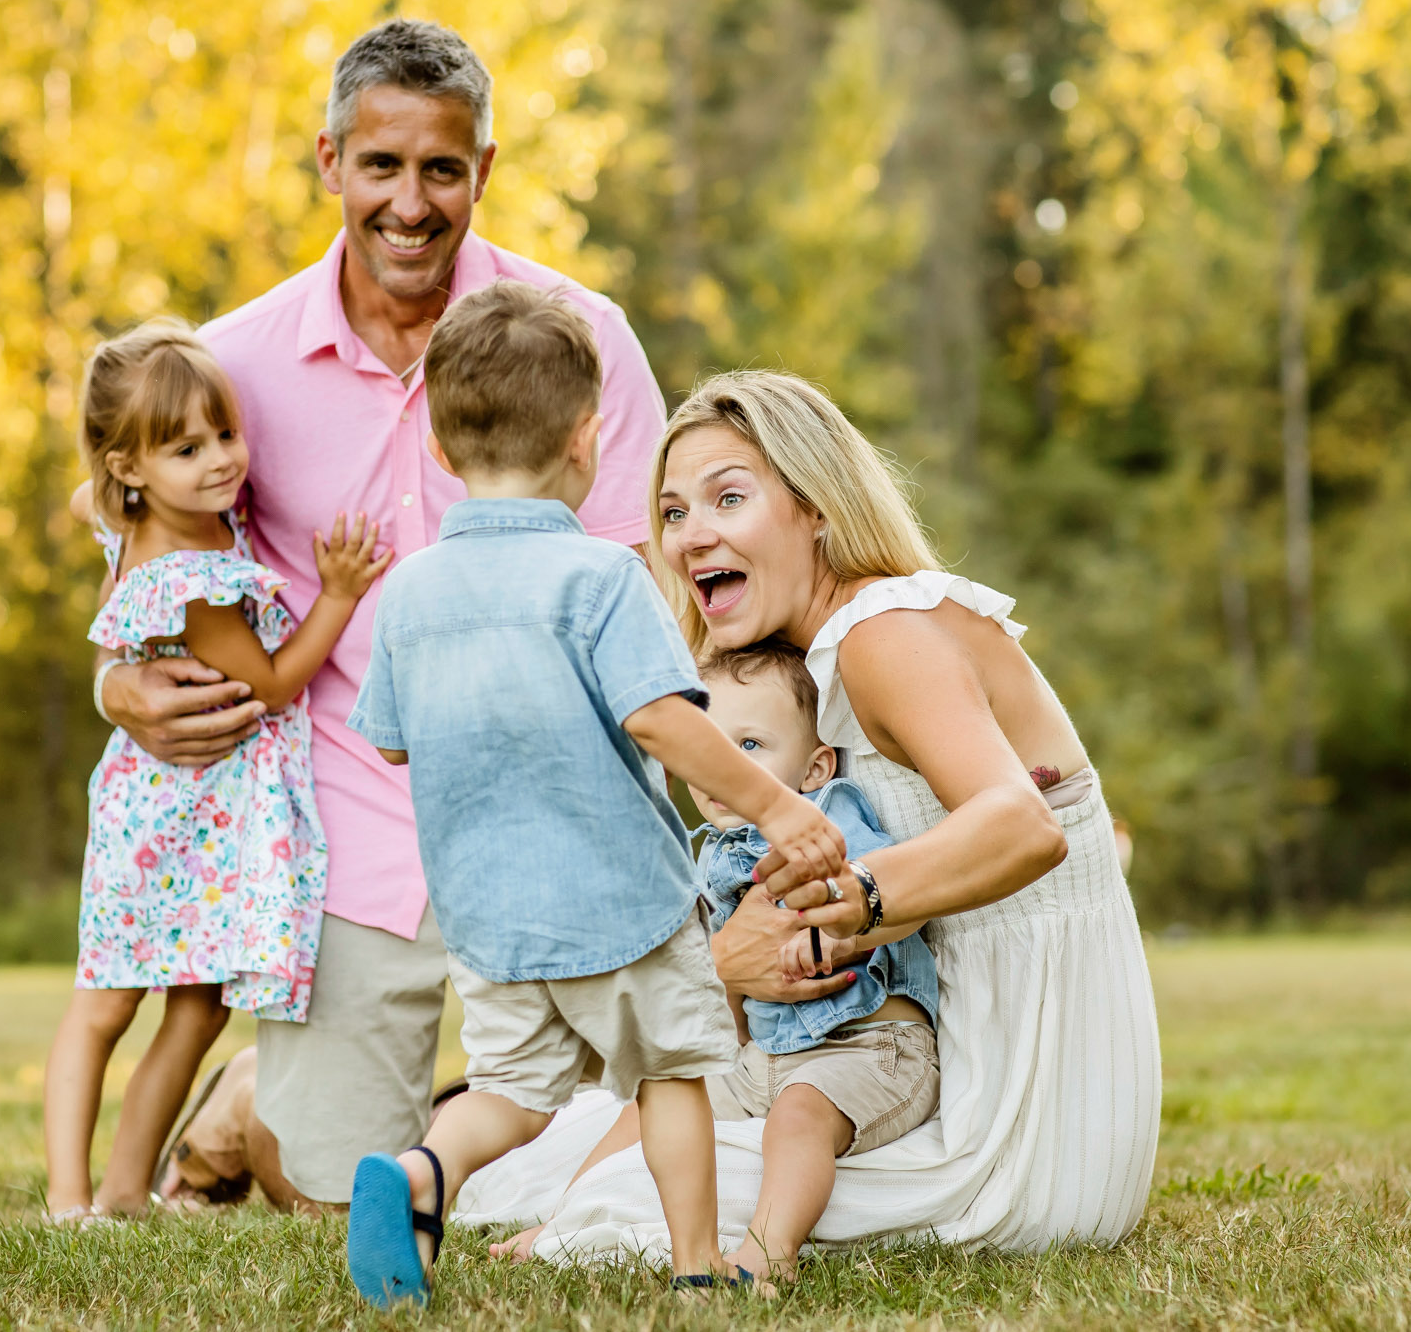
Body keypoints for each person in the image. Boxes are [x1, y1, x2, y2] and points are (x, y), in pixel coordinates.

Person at [90, 18, 667, 1212]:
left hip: (561, 806)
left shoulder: (581, 339)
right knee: (328, 1193)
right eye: (382, 167)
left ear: (484, 172)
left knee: (623, 1161)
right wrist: (115, 684)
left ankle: (319, 1097)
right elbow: (140, 561)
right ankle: (256, 1103)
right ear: (329, 164)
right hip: (344, 812)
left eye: (441, 170)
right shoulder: (232, 362)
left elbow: (641, 581)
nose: (411, 204)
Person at [456, 370, 1161, 1258]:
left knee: (629, 1192)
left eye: (729, 497)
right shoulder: (804, 671)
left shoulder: (883, 633)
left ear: (816, 507)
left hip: (1021, 1109)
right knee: (585, 1148)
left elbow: (1025, 826)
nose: (690, 535)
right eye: (672, 512)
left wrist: (842, 915)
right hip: (961, 1065)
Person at [339, 282, 846, 1308]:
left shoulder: (412, 590)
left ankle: (421, 1172)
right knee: (672, 1075)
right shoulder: (598, 578)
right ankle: (697, 1265)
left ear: (438, 450)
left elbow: (391, 746)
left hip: (486, 913)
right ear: (586, 440)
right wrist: (779, 808)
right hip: (623, 903)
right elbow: (660, 717)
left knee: (508, 1093)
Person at [43, 319, 389, 1222]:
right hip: (165, 823)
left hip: (194, 818)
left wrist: (126, 488)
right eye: (186, 448)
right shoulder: (197, 575)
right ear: (129, 466)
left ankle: (125, 1190)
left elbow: (89, 504)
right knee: (106, 1008)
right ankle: (67, 1198)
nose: (221, 461)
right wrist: (341, 595)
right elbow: (271, 685)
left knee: (196, 1012)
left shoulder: (145, 520)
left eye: (226, 435)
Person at [497, 640, 940, 1287]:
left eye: (750, 747)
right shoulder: (707, 852)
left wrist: (824, 926)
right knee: (661, 1094)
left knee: (800, 1116)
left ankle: (769, 1250)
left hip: (870, 1048)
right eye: (709, 746)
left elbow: (889, 893)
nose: (724, 770)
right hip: (764, 1057)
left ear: (815, 766)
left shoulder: (830, 815)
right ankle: (566, 1213)